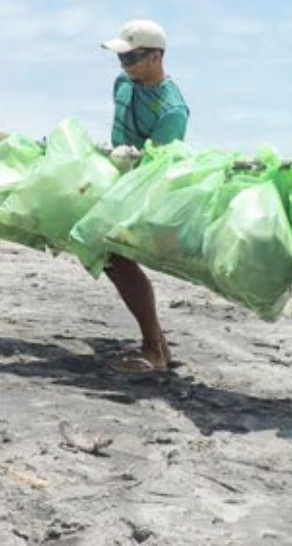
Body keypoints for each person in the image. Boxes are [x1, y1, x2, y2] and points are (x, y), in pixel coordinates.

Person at [98, 19, 190, 372]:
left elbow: (160, 166)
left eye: (132, 58)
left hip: (142, 189)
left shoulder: (171, 110)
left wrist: (135, 161)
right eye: (121, 58)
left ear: (156, 57)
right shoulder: (123, 82)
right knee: (108, 257)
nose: (124, 66)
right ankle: (158, 345)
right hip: (115, 180)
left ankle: (155, 349)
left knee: (114, 257)